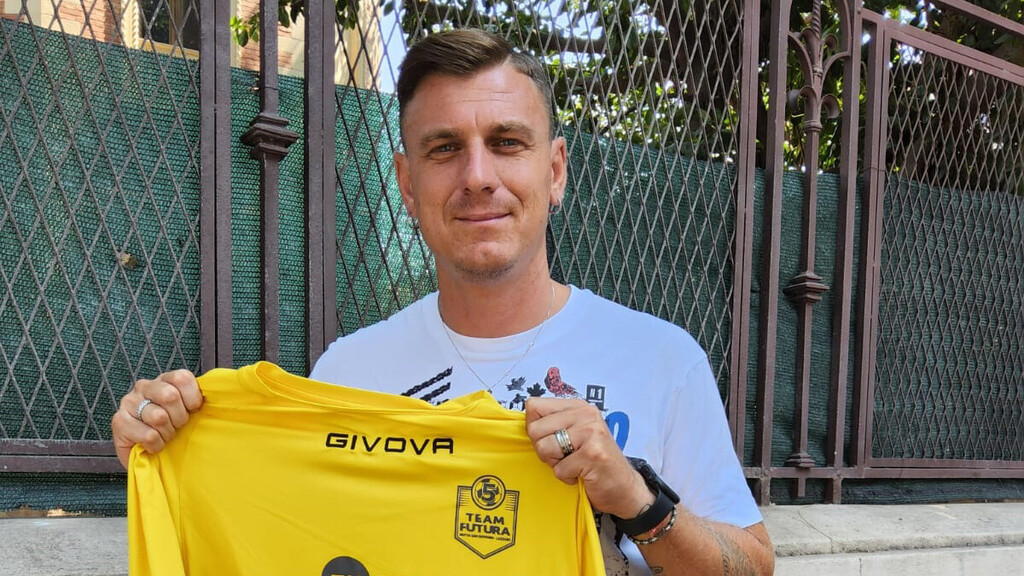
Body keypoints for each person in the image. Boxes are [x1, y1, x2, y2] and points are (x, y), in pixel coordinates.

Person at [111, 29, 774, 575]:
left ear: (555, 170)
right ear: (407, 183)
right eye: (445, 149)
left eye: (507, 143)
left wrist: (637, 499)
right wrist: (170, 449)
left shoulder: (662, 359)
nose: (478, 177)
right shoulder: (348, 373)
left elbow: (752, 567)